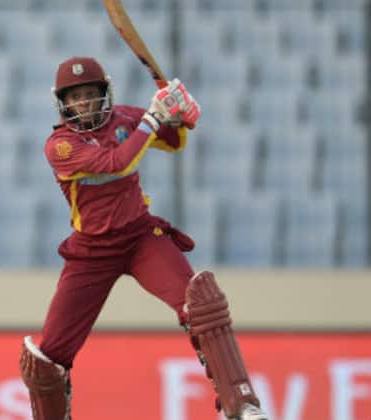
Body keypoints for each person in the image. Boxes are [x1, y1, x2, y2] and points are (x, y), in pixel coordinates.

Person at [18, 57, 269, 420]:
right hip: (92, 253)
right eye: (76, 98)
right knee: (47, 360)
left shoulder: (124, 117)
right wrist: (153, 116)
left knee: (202, 304)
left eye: (91, 94)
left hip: (140, 237)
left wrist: (179, 113)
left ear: (104, 94)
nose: (84, 104)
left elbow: (172, 140)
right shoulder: (60, 146)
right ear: (63, 103)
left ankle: (242, 404)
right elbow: (116, 162)